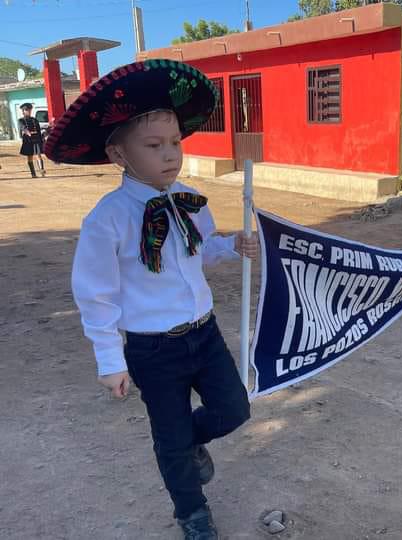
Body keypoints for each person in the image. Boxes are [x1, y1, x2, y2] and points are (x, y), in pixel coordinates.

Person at [44, 59, 258, 540]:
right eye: (154, 145)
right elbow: (94, 292)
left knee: (233, 410)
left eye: (176, 143)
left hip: (203, 333)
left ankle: (190, 443)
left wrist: (230, 246)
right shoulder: (108, 218)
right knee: (170, 437)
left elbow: (199, 252)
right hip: (151, 348)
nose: (171, 155)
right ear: (119, 154)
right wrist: (109, 359)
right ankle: (192, 512)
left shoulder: (189, 199)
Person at [18, 103, 46, 178]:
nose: (29, 111)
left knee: (38, 155)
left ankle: (42, 170)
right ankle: (33, 174)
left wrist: (42, 140)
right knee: (30, 157)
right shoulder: (21, 120)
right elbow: (23, 128)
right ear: (23, 111)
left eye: (29, 110)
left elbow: (39, 131)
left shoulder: (34, 120)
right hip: (28, 140)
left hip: (36, 139)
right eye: (26, 110)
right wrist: (28, 132)